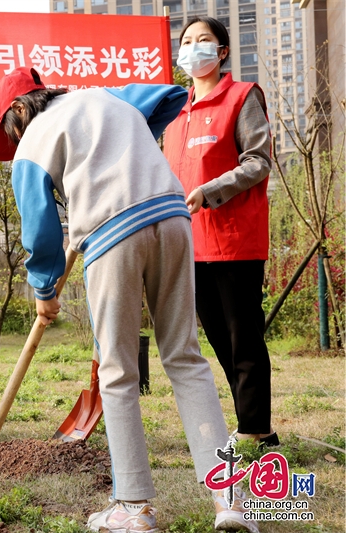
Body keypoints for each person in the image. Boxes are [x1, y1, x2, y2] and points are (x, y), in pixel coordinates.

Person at [0, 67, 256, 533]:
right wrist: (124, 151)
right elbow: (171, 96)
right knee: (186, 359)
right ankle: (228, 500)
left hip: (114, 234)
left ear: (16, 112)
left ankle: (134, 508)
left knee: (116, 370)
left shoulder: (31, 144)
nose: (12, 143)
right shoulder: (105, 98)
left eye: (8, 133)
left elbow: (39, 231)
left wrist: (45, 292)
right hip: (172, 216)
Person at [164, 16, 275, 447]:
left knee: (243, 335)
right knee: (218, 337)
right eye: (187, 41)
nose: (194, 48)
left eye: (204, 40)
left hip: (235, 239)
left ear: (222, 51)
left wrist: (210, 190)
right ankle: (258, 423)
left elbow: (258, 161)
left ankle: (253, 428)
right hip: (191, 243)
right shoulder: (175, 112)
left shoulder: (243, 97)